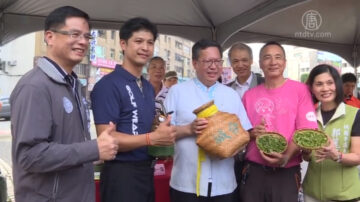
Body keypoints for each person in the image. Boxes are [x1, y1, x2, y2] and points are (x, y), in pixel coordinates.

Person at [10, 6, 119, 202]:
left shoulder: (72, 84)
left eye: (87, 37)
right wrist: (93, 149)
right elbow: (29, 156)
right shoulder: (35, 86)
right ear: (49, 37)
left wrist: (95, 151)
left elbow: (67, 144)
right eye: (74, 34)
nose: (83, 42)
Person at [91, 17, 176, 202]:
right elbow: (107, 139)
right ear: (123, 44)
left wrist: (161, 132)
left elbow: (143, 126)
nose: (145, 47)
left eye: (150, 42)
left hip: (146, 170)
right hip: (121, 174)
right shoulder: (108, 85)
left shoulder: (146, 86)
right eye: (138, 41)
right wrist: (151, 138)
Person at [164, 39, 252, 202]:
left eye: (217, 61)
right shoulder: (177, 92)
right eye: (208, 61)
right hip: (185, 184)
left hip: (224, 185)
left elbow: (245, 132)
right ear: (195, 63)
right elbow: (162, 136)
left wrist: (237, 147)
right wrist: (188, 129)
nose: (214, 66)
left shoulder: (231, 94)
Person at [240, 41, 318, 202]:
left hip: (287, 172)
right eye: (267, 58)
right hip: (254, 171)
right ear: (260, 64)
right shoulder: (249, 96)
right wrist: (251, 133)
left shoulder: (300, 90)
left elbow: (306, 130)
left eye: (278, 57)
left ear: (284, 62)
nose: (273, 62)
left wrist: (287, 156)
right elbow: (239, 133)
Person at [302, 64, 360, 202]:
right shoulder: (308, 116)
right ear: (312, 88)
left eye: (330, 83)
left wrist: (337, 155)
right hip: (312, 193)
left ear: (337, 85)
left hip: (344, 195)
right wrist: (306, 152)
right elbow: (308, 158)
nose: (325, 88)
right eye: (319, 84)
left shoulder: (354, 114)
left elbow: (358, 156)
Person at [226, 42, 264, 190]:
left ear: (251, 60)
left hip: (257, 152)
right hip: (233, 154)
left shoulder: (264, 84)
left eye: (244, 60)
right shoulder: (226, 89)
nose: (240, 65)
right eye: (235, 61)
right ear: (230, 63)